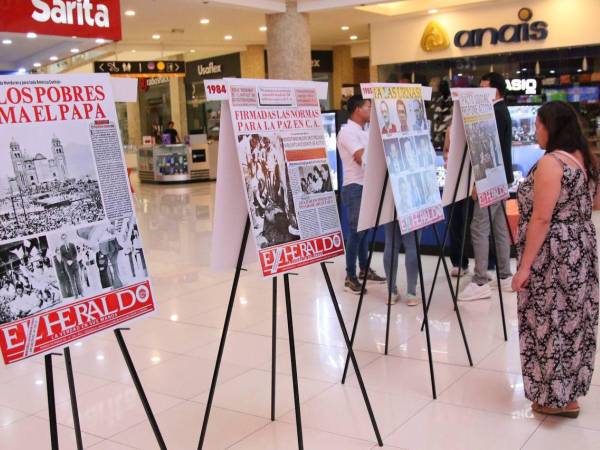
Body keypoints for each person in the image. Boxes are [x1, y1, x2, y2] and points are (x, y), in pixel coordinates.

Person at [512, 101, 599, 418]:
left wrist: (524, 268)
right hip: (580, 249)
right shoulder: (583, 158)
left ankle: (554, 398)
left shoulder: (551, 163)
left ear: (552, 127)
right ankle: (569, 394)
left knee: (548, 322)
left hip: (554, 256)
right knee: (573, 321)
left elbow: (541, 220)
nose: (535, 130)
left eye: (538, 125)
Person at [458, 72, 514, 301]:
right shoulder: (503, 111)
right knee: (499, 227)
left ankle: (480, 279)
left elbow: (490, 152)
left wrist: (478, 183)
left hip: (490, 178)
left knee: (479, 227)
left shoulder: (495, 113)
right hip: (500, 177)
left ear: (495, 90)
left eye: (484, 88)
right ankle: (504, 275)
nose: (480, 93)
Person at [338, 95, 386, 293]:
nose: (370, 110)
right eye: (368, 106)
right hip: (354, 186)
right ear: (358, 109)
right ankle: (350, 276)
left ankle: (364, 268)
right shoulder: (347, 132)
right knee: (357, 232)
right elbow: (361, 158)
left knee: (365, 229)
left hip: (367, 185)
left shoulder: (364, 131)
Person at [384, 224, 420, 306]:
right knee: (412, 247)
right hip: (412, 212)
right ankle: (411, 294)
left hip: (391, 212)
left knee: (390, 245)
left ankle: (391, 293)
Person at [60, 233, 83, 299]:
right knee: (72, 281)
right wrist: (67, 261)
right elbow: (62, 257)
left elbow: (75, 254)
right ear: (62, 240)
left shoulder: (72, 245)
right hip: (68, 267)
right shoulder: (61, 248)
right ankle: (76, 295)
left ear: (67, 238)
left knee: (78, 280)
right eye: (63, 238)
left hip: (75, 265)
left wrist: (72, 261)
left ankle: (81, 292)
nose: (65, 239)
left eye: (65, 238)